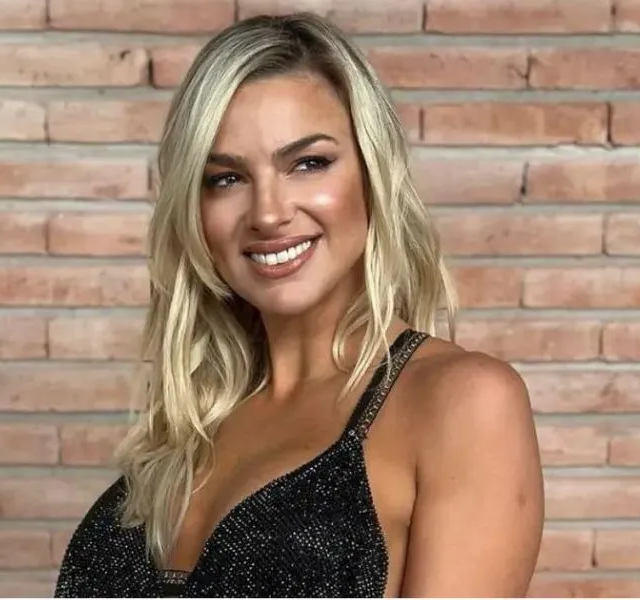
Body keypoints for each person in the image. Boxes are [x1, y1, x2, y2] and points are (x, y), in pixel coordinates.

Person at [54, 11, 544, 598]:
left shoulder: (460, 403)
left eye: (308, 163)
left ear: (372, 173)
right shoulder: (193, 420)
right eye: (226, 178)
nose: (267, 213)